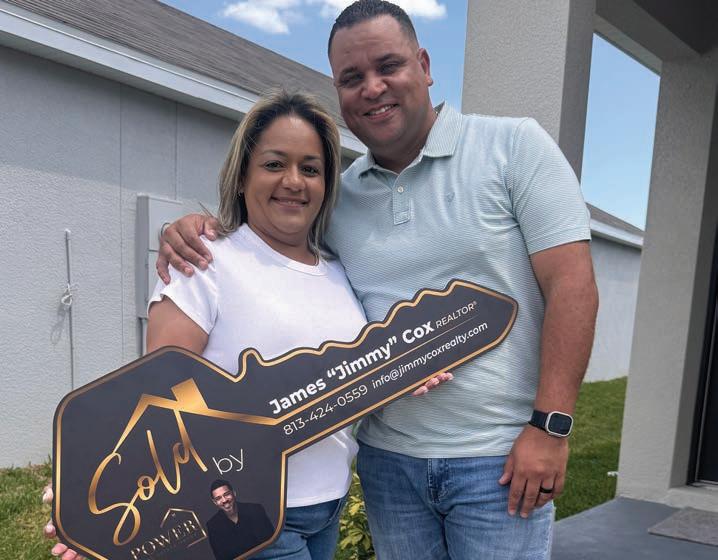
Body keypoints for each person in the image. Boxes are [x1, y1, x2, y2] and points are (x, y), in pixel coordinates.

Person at [161, 2, 600, 559]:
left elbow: (573, 286)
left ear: (424, 65)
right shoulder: (338, 198)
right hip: (387, 466)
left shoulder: (514, 148)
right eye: (352, 77)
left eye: (388, 66)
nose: (372, 88)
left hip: (500, 460)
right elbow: (269, 253)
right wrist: (195, 228)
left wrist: (551, 427)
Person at [44, 89, 447, 560]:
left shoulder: (339, 271)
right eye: (274, 164)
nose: (293, 181)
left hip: (329, 504)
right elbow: (154, 399)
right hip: (249, 513)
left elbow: (337, 377)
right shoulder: (204, 263)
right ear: (241, 177)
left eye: (310, 169)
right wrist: (90, 497)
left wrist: (398, 375)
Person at [207, 480, 274, 560]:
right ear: (215, 502)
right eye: (218, 498)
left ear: (234, 493)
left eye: (227, 494)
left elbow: (271, 543)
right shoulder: (213, 526)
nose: (224, 500)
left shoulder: (255, 510)